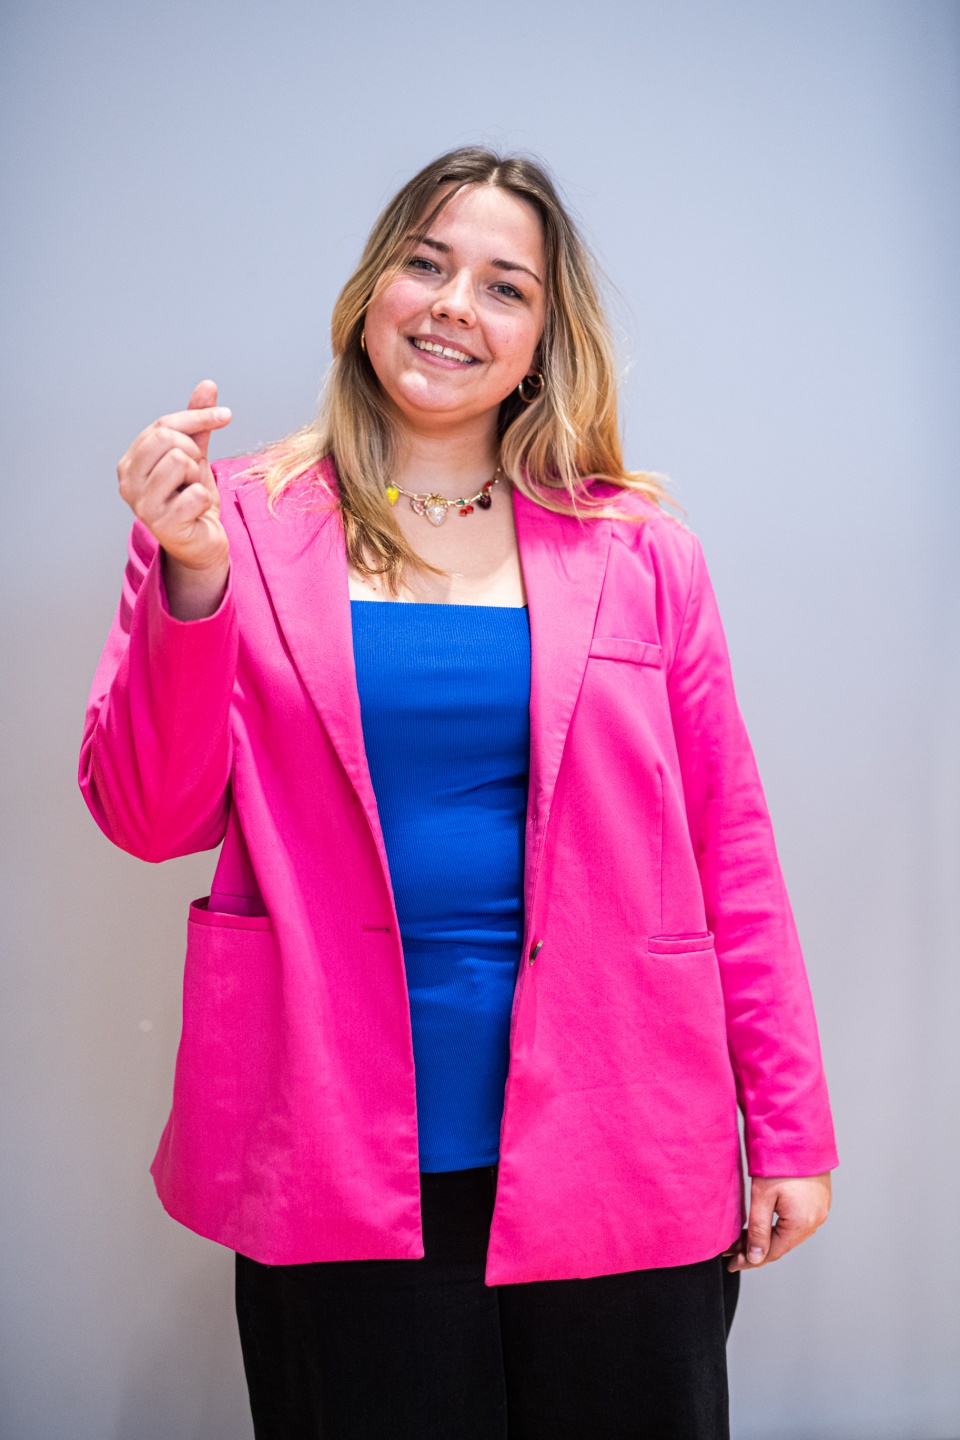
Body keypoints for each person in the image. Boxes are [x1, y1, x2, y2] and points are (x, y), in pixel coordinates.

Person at [79, 147, 837, 1439]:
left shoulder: (639, 547)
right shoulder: (234, 521)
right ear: (370, 291)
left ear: (542, 340)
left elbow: (732, 846)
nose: (452, 306)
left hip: (624, 1128)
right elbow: (152, 818)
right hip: (328, 1133)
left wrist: (790, 1127)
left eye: (503, 286)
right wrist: (190, 578)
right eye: (425, 263)